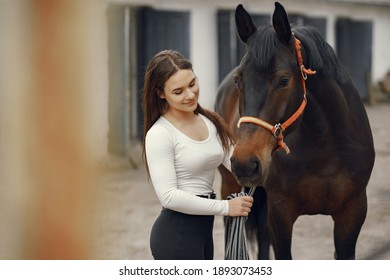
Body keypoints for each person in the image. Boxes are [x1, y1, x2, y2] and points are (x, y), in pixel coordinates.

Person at [142, 50, 253, 260]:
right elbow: (169, 197)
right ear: (160, 93)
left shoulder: (210, 121)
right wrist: (226, 207)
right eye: (178, 91)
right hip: (176, 236)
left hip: (203, 233)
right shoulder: (160, 134)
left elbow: (237, 164)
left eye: (192, 84)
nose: (190, 95)